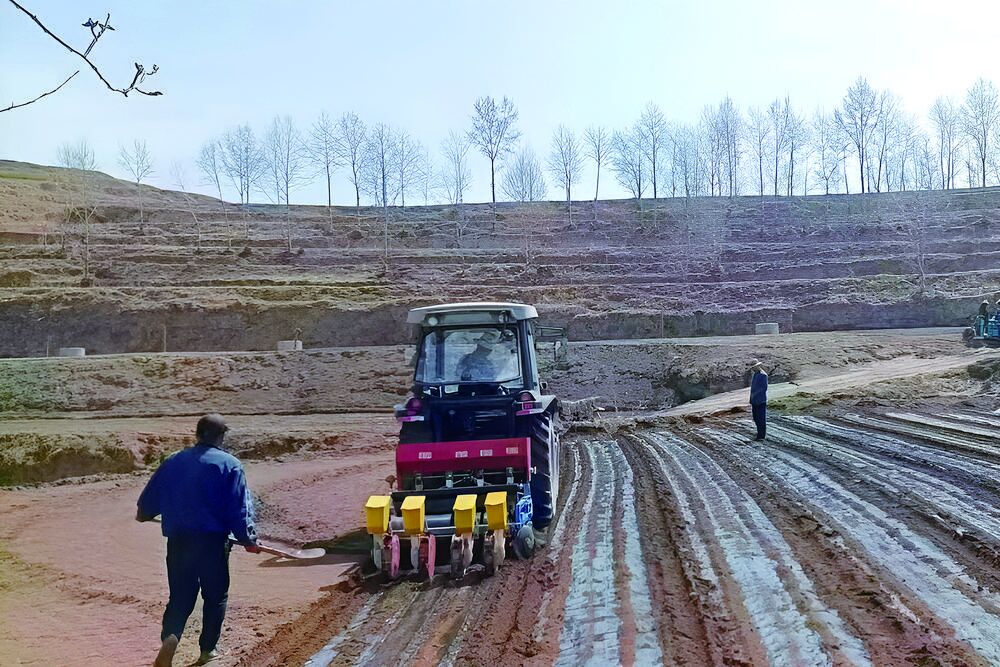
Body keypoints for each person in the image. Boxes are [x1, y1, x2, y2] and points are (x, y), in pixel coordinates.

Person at [137, 414, 259, 667]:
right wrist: (248, 539)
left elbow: (147, 502)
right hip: (212, 543)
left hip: (179, 541)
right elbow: (239, 509)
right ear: (220, 436)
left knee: (180, 596)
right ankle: (208, 651)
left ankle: (171, 637)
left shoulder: (173, 461)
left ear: (197, 434)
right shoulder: (230, 465)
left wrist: (145, 514)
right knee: (215, 596)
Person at [749, 360, 768, 441]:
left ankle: (761, 436)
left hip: (760, 400)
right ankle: (759, 433)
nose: (752, 369)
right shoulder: (756, 374)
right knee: (756, 417)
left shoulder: (762, 375)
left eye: (753, 367)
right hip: (755, 400)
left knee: (761, 418)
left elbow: (763, 388)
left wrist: (756, 395)